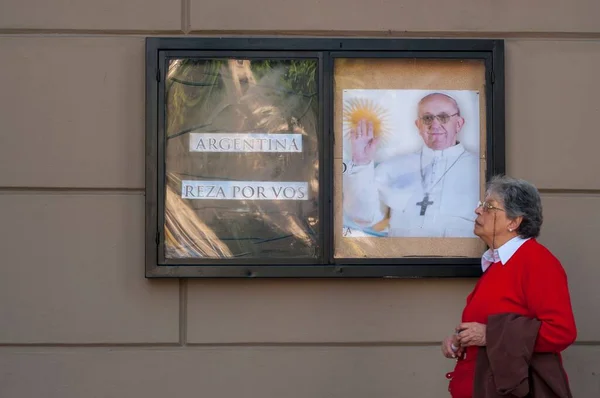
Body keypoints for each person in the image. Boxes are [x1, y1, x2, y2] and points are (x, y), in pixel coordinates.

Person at [441, 175, 577, 398]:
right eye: (481, 205)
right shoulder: (498, 262)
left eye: (489, 207)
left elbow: (561, 332)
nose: (478, 211)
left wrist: (489, 335)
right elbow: (491, 327)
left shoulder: (536, 262)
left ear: (514, 222)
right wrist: (460, 342)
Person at [343, 92, 479, 238]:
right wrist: (361, 163)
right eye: (427, 118)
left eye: (443, 117)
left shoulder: (478, 169)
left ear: (459, 124)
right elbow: (364, 216)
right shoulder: (393, 167)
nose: (435, 124)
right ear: (418, 125)